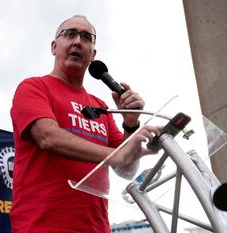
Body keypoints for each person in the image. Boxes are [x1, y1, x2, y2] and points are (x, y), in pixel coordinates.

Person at [10, 15, 160, 233]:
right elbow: (48, 138)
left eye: (86, 37)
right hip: (42, 226)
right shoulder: (33, 88)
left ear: (93, 54)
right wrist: (115, 155)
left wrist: (130, 123)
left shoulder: (100, 107)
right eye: (70, 34)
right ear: (54, 46)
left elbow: (125, 169)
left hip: (97, 227)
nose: (78, 41)